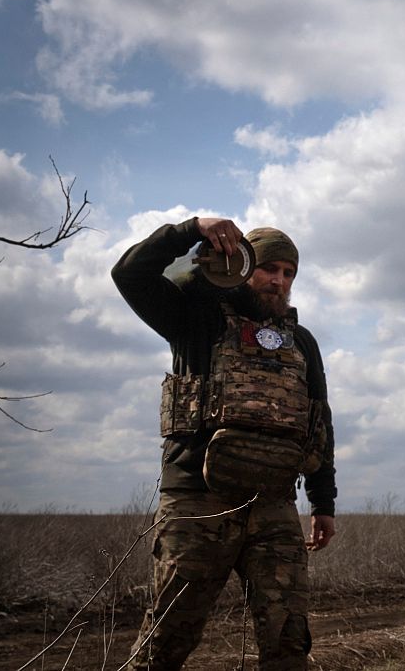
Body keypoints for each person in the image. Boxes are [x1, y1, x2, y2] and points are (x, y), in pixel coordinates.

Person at [113, 217, 336, 671]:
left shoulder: (301, 341)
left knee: (289, 642)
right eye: (269, 267)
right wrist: (195, 229)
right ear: (242, 262)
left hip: (273, 502)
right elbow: (129, 274)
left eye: (288, 272)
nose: (278, 280)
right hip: (199, 502)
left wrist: (323, 500)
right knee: (167, 640)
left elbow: (318, 421)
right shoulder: (196, 316)